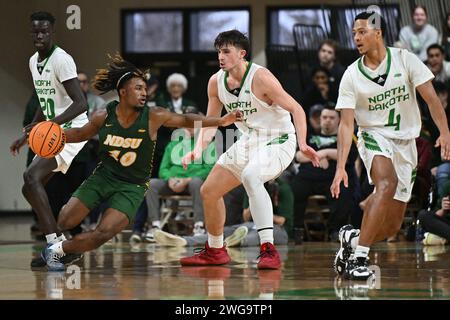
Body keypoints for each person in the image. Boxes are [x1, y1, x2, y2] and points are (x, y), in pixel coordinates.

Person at [39, 55, 241, 271]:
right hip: (103, 176)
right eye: (138, 88)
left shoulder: (154, 115)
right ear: (123, 92)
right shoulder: (103, 116)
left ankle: (57, 251)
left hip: (132, 186)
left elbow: (185, 120)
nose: (144, 93)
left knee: (103, 234)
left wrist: (219, 121)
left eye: (145, 88)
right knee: (65, 220)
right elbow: (80, 133)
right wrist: (53, 133)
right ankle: (59, 247)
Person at [180, 30, 319, 269]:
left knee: (251, 176)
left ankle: (268, 249)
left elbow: (296, 108)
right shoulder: (216, 82)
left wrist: (304, 143)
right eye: (218, 52)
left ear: (242, 54)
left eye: (226, 51)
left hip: (279, 138)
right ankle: (215, 250)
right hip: (250, 140)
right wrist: (198, 149)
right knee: (209, 191)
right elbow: (212, 122)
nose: (220, 57)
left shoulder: (261, 78)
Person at [331, 11, 450, 280]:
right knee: (386, 183)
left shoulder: (404, 59)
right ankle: (359, 259)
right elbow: (346, 124)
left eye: (362, 32)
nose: (357, 38)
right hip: (374, 136)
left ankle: (352, 239)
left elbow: (432, 100)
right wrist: (340, 166)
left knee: (392, 226)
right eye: (354, 34)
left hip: (405, 142)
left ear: (378, 33)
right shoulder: (351, 75)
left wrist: (445, 132)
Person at [9, 11, 88, 267]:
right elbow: (46, 100)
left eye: (44, 31)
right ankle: (61, 243)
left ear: (52, 32)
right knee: (29, 187)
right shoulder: (34, 61)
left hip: (74, 130)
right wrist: (27, 133)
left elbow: (81, 103)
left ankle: (55, 246)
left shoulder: (62, 59)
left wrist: (50, 126)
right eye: (35, 32)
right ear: (31, 33)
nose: (40, 35)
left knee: (31, 177)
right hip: (56, 130)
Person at [153, 177, 293, 247]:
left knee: (256, 235)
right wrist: (254, 201)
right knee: (225, 230)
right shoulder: (253, 186)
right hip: (251, 224)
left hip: (278, 229)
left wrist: (263, 210)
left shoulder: (283, 188)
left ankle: (232, 243)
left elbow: (282, 220)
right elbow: (245, 216)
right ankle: (183, 241)